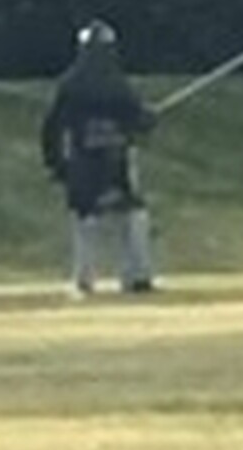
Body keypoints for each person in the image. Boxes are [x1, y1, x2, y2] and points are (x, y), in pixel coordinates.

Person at [41, 19, 158, 296]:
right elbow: (136, 120)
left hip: (89, 164)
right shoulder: (117, 85)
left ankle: (86, 278)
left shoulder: (71, 85)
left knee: (90, 222)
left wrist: (56, 164)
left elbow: (51, 128)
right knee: (131, 218)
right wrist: (147, 119)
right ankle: (135, 276)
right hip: (110, 162)